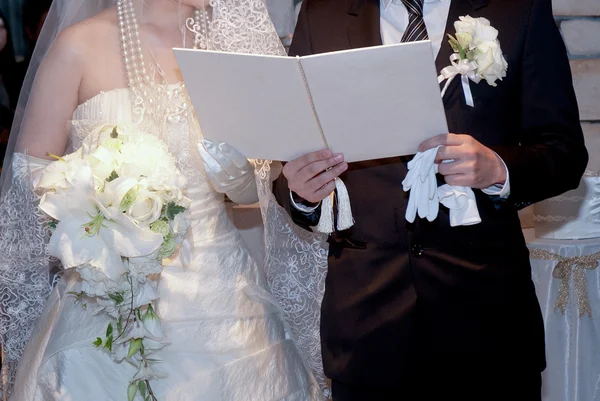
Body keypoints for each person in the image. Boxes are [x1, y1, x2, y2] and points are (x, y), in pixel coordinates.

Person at [0, 0, 324, 400]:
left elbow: (261, 191)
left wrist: (240, 176)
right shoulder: (78, 46)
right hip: (106, 291)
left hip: (223, 293)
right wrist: (94, 197)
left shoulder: (235, 48)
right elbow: (29, 178)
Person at [274, 0, 589, 400]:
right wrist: (302, 194)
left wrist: (498, 168)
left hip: (487, 320)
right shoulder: (324, 13)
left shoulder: (518, 8)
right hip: (367, 323)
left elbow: (564, 152)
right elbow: (287, 155)